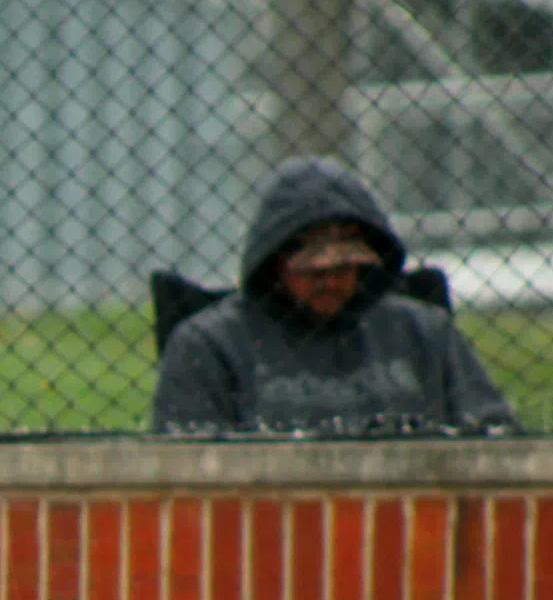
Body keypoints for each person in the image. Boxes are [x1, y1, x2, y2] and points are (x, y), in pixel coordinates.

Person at [151, 157, 516, 436]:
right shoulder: (209, 344)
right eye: (313, 271)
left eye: (345, 267)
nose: (330, 282)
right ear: (274, 263)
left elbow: (495, 435)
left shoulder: (423, 332)